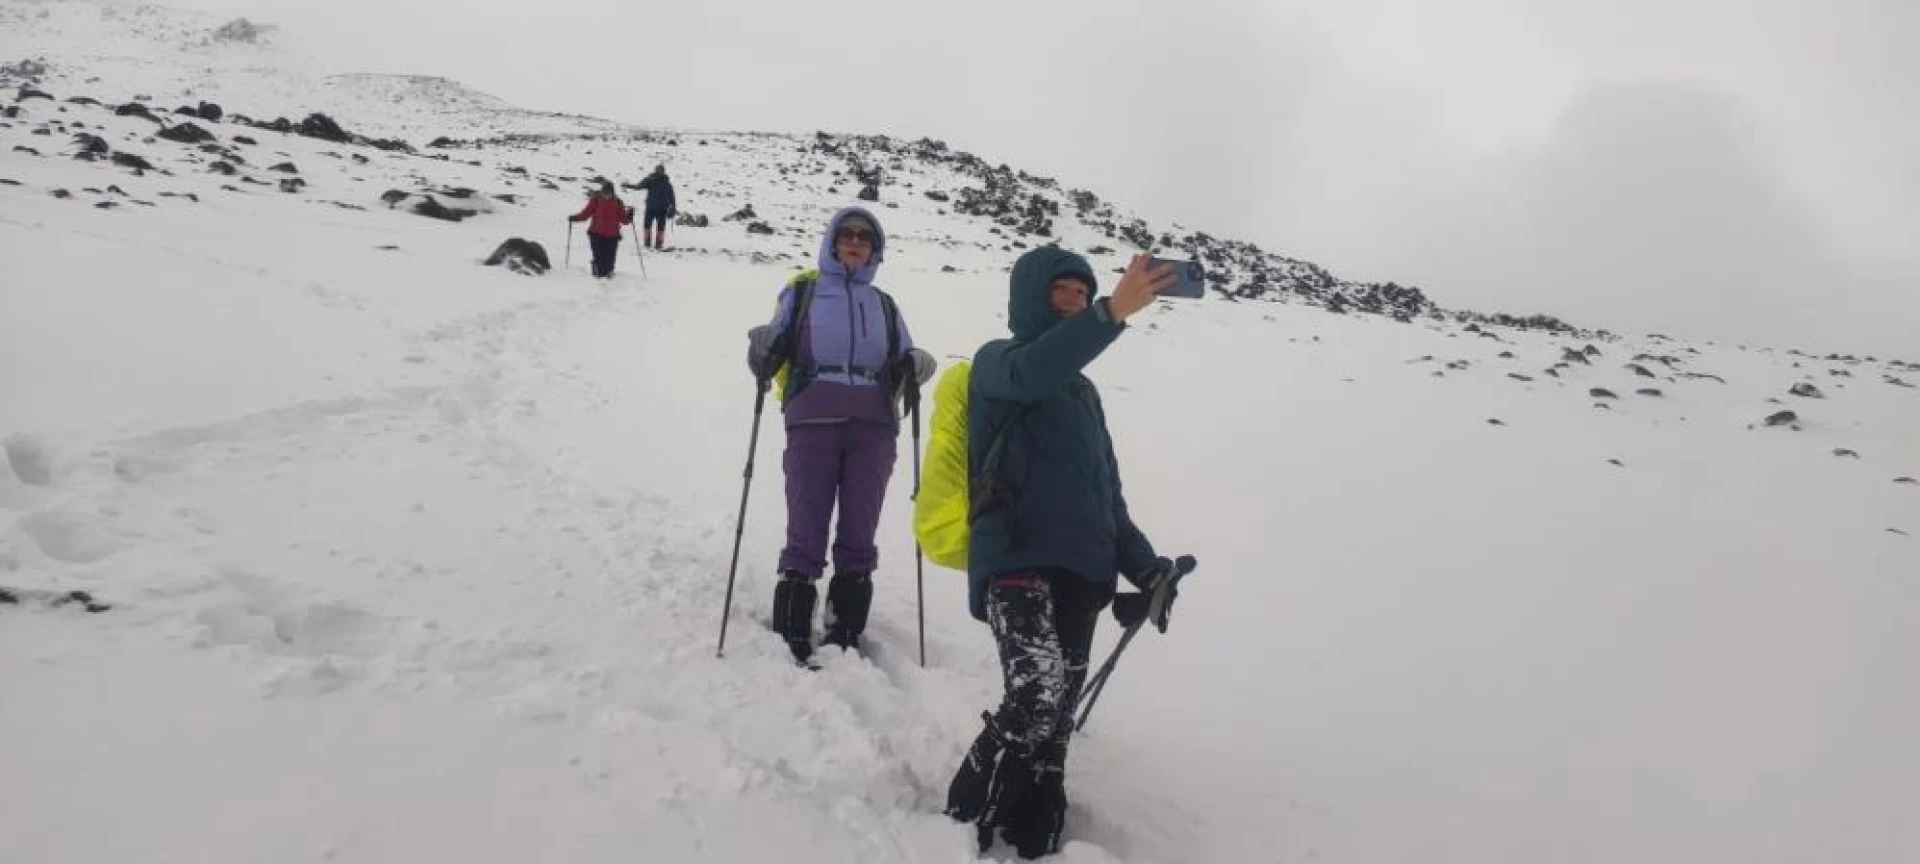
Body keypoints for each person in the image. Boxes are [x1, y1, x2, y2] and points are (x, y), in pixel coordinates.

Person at [941, 246, 1182, 859]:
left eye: (1083, 292)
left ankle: (1033, 827)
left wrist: (1148, 566)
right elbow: (1034, 373)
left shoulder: (1085, 396)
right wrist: (1109, 314)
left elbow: (1109, 500)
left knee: (1055, 729)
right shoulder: (998, 364)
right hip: (1016, 557)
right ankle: (963, 810)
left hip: (1084, 570)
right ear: (1030, 297)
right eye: (1062, 292)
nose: (1074, 300)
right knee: (1036, 697)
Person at [745, 207, 935, 664]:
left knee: (860, 524)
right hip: (812, 415)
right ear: (833, 242)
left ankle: (845, 628)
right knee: (806, 519)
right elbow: (771, 351)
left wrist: (918, 363)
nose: (854, 241)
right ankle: (792, 623)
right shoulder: (803, 290)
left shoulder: (885, 304)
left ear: (874, 249)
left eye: (864, 238)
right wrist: (762, 346)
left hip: (873, 424)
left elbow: (904, 355)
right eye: (846, 234)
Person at [568, 181, 633, 277]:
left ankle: (609, 273)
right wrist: (576, 218)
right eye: (605, 193)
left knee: (610, 260)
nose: (607, 195)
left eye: (609, 193)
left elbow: (624, 220)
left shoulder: (618, 202)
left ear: (613, 192)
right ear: (602, 191)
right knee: (599, 257)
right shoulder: (595, 200)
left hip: (612, 236)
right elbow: (585, 214)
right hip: (596, 234)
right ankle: (597, 272)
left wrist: (629, 216)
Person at [634, 164, 677, 250]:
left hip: (662, 210)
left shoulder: (667, 184)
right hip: (651, 208)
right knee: (647, 226)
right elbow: (639, 186)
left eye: (660, 171)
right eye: (657, 170)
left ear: (663, 172)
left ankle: (658, 244)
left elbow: (672, 198)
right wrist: (629, 185)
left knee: (661, 228)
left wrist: (673, 208)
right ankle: (647, 243)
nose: (658, 172)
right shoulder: (650, 181)